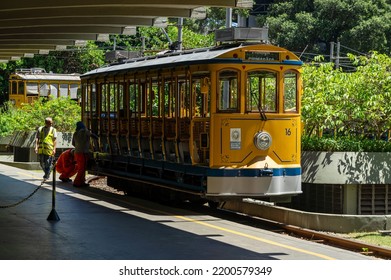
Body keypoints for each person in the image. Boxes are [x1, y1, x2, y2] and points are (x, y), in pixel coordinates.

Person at [72, 121, 97, 187]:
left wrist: (78, 147)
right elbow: (92, 135)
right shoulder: (85, 131)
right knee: (82, 168)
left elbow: (73, 143)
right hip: (83, 153)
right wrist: (98, 137)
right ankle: (76, 182)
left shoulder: (75, 133)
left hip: (77, 152)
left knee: (81, 168)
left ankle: (82, 182)